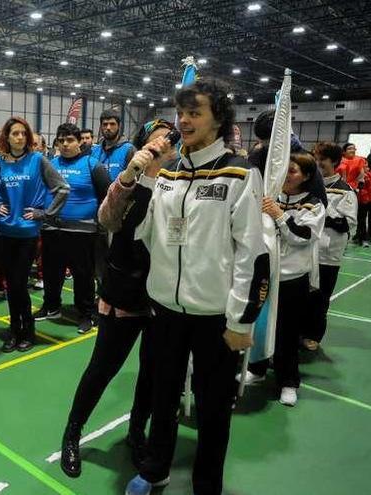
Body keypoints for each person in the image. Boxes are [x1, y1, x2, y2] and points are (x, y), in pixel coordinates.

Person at [125, 79, 269, 495]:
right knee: (162, 397)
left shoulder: (240, 173)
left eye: (195, 112)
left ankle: (207, 484)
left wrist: (241, 321)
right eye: (181, 112)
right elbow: (145, 235)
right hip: (165, 312)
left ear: (218, 119)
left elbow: (253, 256)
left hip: (215, 319)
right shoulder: (167, 171)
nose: (184, 120)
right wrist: (141, 178)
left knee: (212, 410)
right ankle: (156, 470)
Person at [60, 118, 176, 479]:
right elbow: (108, 220)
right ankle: (72, 433)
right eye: (154, 143)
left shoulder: (182, 184)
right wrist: (130, 176)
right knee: (102, 368)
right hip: (124, 291)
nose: (161, 149)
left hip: (166, 296)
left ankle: (136, 432)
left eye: (168, 143)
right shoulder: (129, 181)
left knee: (152, 374)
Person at [246, 152, 325, 407]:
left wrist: (279, 214)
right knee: (258, 326)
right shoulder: (269, 197)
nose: (287, 176)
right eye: (285, 170)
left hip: (292, 279)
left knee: (287, 333)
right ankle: (256, 370)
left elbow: (303, 237)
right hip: (264, 275)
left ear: (307, 176)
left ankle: (288, 381)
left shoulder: (313, 204)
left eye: (293, 171)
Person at [0, 117, 69, 352]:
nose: (19, 137)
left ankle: (27, 331)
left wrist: (44, 214)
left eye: (23, 134)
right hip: (3, 232)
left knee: (18, 284)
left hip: (26, 234)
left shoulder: (38, 160)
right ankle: (14, 330)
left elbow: (62, 188)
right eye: (14, 133)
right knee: (10, 286)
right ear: (6, 137)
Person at [34, 123, 110, 333]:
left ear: (79, 142)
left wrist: (102, 226)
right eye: (61, 140)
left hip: (83, 234)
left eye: (70, 140)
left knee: (83, 275)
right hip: (52, 230)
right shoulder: (49, 164)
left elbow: (106, 197)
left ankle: (85, 313)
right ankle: (51, 305)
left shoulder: (92, 165)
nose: (65, 144)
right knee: (51, 273)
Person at [304, 142, 357, 351]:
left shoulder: (345, 191)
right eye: (315, 160)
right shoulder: (305, 186)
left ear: (334, 162)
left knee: (320, 298)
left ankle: (313, 335)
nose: (318, 165)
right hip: (304, 251)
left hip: (328, 255)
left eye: (322, 160)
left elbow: (347, 224)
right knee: (302, 296)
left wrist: (320, 215)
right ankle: (298, 330)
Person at [91, 109, 135, 180]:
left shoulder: (129, 150)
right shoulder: (94, 151)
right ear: (101, 126)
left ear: (119, 126)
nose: (108, 128)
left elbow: (134, 178)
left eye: (112, 124)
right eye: (105, 124)